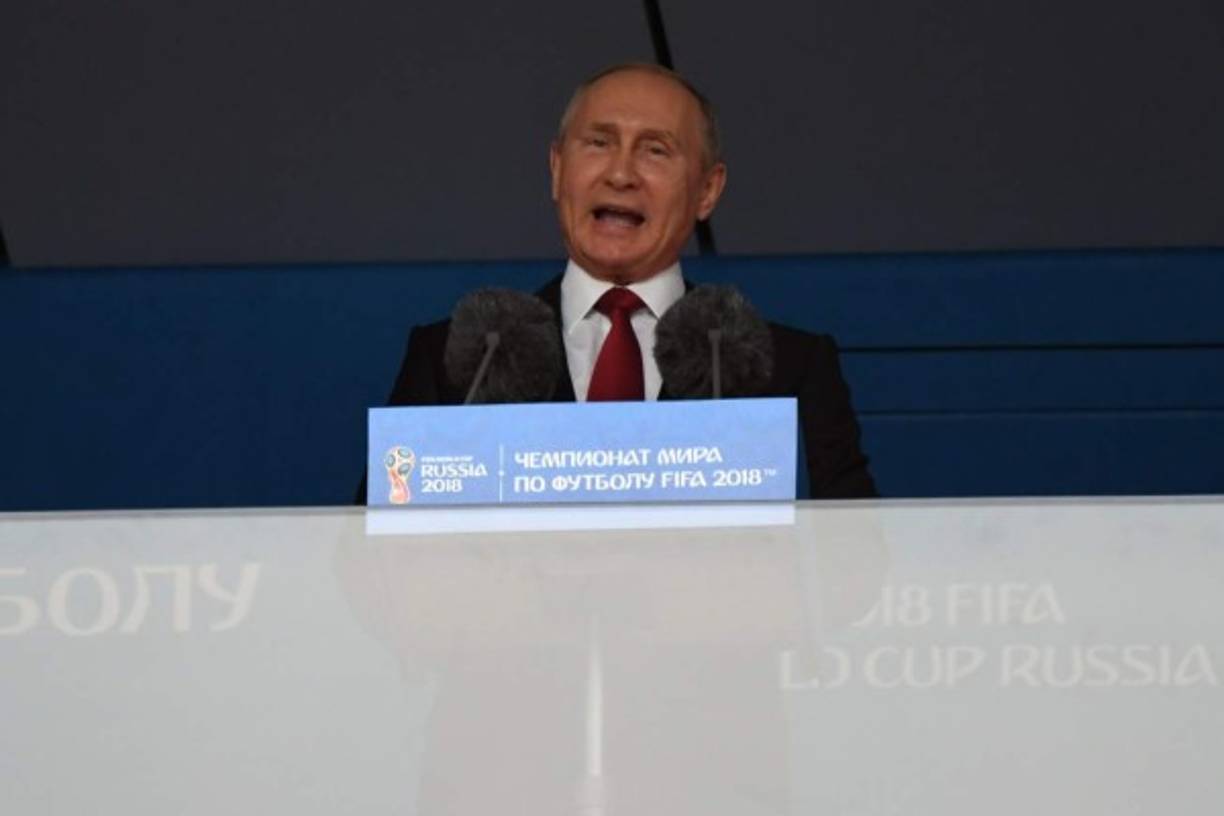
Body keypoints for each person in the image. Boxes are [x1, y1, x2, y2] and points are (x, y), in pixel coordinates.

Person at [381, 63, 876, 498]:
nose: (620, 174)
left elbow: (853, 567)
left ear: (707, 190)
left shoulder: (788, 370)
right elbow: (370, 563)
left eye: (655, 151)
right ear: (557, 169)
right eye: (598, 143)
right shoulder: (459, 361)